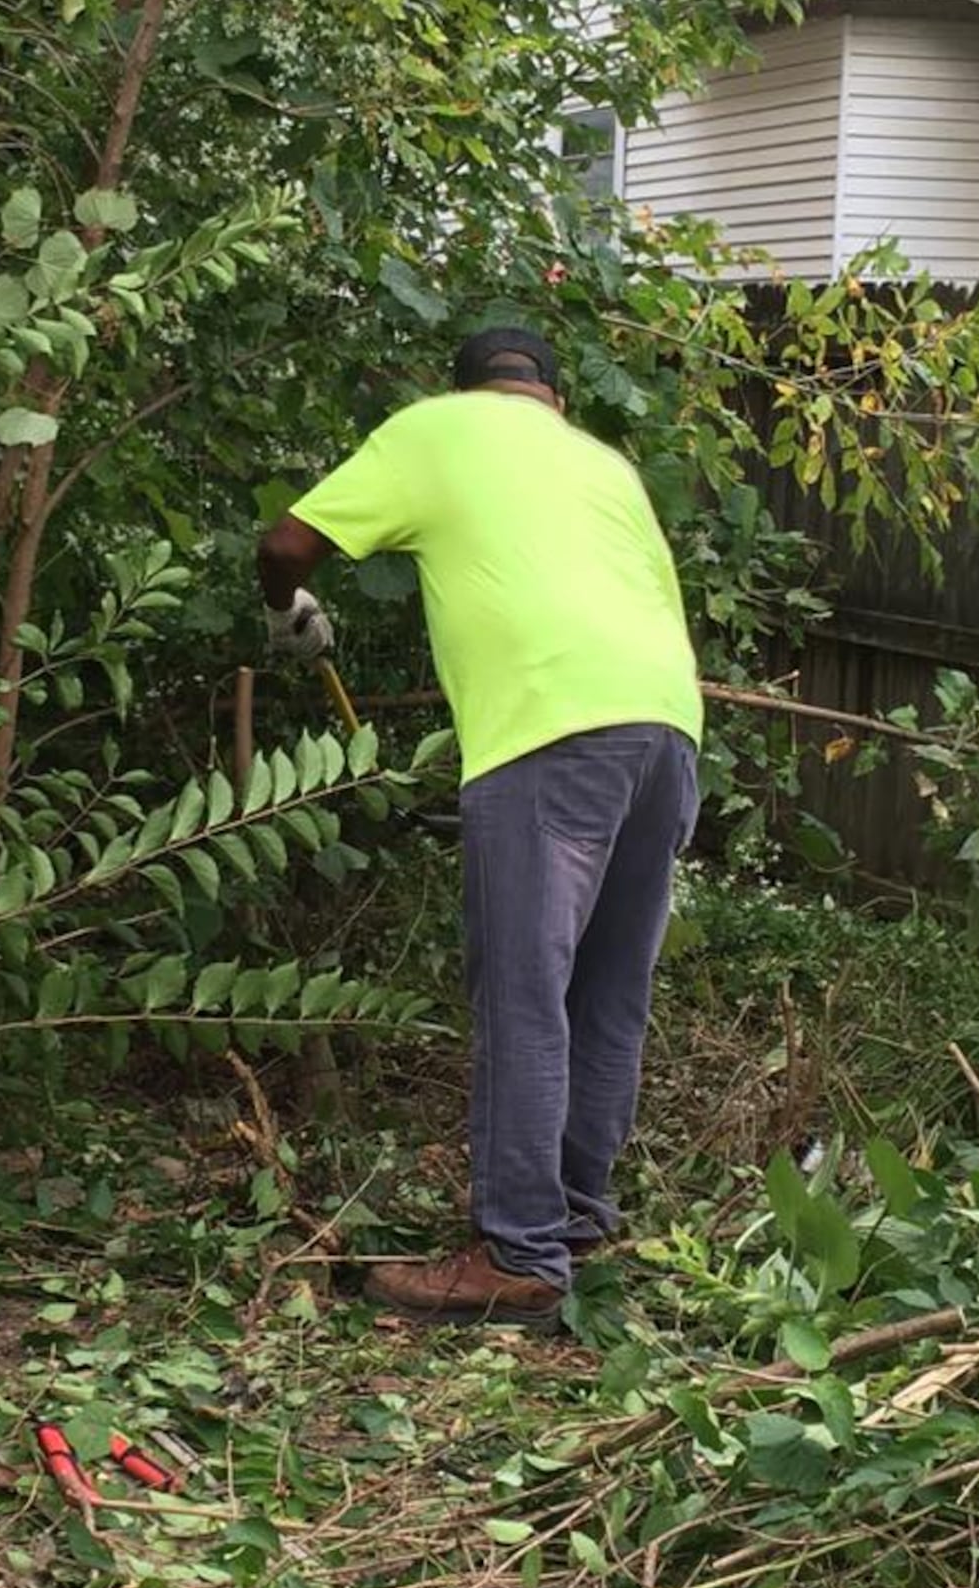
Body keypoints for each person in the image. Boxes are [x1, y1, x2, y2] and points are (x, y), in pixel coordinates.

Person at [256, 327, 701, 1332]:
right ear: (550, 394)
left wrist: (288, 612)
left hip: (547, 734)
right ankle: (577, 1220)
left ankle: (517, 1255)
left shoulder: (438, 429)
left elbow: (285, 543)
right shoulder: (605, 465)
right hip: (664, 730)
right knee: (605, 994)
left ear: (466, 389)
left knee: (522, 994)